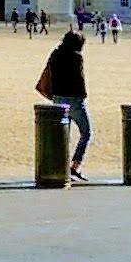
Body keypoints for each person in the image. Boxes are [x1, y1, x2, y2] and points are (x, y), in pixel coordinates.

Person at [37, 29, 92, 179]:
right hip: (74, 99)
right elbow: (80, 80)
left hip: (57, 98)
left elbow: (48, 72)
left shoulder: (56, 53)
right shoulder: (76, 57)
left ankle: (60, 165)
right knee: (86, 133)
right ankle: (75, 165)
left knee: (63, 135)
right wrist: (83, 96)